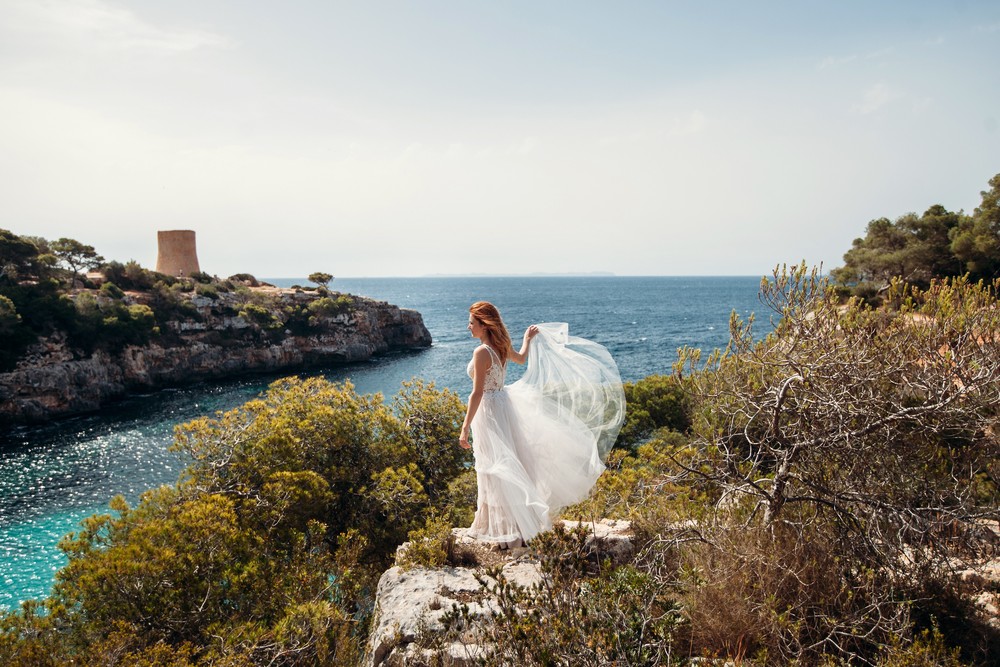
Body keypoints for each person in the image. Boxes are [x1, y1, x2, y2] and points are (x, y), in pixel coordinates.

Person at [459, 301, 626, 547]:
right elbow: (522, 358)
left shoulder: (482, 352)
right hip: (503, 406)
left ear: (484, 325)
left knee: (493, 465)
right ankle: (507, 525)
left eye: (472, 323)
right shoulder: (500, 346)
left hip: (489, 411)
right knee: (507, 463)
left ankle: (500, 529)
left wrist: (464, 427)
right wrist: (527, 339)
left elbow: (476, 394)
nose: (468, 327)